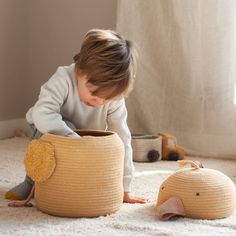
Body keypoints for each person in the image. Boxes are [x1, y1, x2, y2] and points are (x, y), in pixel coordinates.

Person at [5, 29, 148, 204]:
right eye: (93, 93)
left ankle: (70, 183)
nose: (99, 102)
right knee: (54, 144)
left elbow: (122, 141)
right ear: (79, 70)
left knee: (102, 150)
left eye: (107, 99)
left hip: (83, 138)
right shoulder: (63, 78)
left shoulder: (112, 98)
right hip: (46, 128)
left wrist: (125, 187)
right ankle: (31, 182)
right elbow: (42, 113)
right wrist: (73, 138)